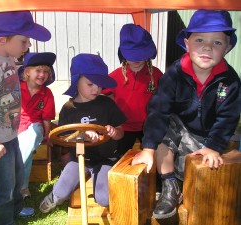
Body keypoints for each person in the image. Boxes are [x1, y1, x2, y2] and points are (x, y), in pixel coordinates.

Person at [132, 9, 240, 219]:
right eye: (200, 39)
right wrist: (148, 148)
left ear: (228, 47)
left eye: (217, 42)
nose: (208, 47)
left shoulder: (230, 81)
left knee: (205, 181)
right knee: (166, 120)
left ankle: (183, 184)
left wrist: (214, 146)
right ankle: (169, 184)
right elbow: (158, 110)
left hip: (205, 139)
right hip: (177, 133)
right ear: (187, 43)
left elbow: (228, 117)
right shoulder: (174, 74)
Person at [0, 11, 51, 225]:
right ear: (2, 39)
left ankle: (15, 208)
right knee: (3, 186)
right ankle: (3, 221)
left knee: (15, 177)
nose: (28, 46)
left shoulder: (7, 58)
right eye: (24, 41)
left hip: (9, 134)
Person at [39, 53, 126, 213]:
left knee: (103, 198)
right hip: (79, 158)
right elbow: (63, 137)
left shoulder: (106, 104)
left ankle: (118, 203)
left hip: (105, 159)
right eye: (90, 83)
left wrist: (115, 132)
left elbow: (121, 131)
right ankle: (54, 197)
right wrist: (82, 136)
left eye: (99, 85)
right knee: (62, 190)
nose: (96, 89)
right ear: (76, 81)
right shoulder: (68, 109)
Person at [102, 23, 163, 156]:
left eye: (140, 54)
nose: (136, 60)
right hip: (123, 128)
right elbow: (102, 97)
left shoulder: (157, 75)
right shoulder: (114, 77)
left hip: (149, 128)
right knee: (119, 161)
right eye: (132, 54)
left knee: (156, 161)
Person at [17, 52, 56, 199]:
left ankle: (18, 185)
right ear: (27, 72)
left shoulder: (47, 93)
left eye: (46, 71)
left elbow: (46, 118)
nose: (42, 74)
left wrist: (47, 135)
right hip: (15, 127)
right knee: (24, 153)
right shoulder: (16, 88)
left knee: (32, 135)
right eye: (38, 70)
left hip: (35, 125)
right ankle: (23, 187)